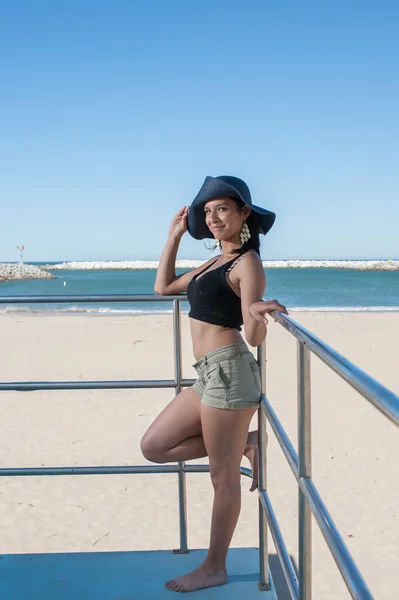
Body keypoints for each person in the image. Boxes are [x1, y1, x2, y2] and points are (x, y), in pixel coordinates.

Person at [140, 175, 288, 593]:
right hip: (207, 375)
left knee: (222, 478)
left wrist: (257, 314)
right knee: (154, 446)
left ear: (243, 213)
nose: (213, 216)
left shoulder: (247, 262)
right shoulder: (212, 262)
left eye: (222, 207)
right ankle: (246, 441)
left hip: (231, 372)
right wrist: (173, 237)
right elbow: (163, 287)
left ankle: (214, 566)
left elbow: (254, 336)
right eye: (207, 211)